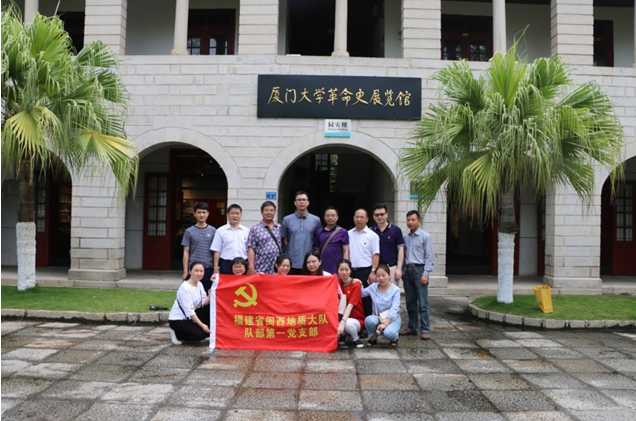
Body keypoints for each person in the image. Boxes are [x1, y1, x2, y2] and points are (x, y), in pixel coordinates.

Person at [400, 210, 435, 341]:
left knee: (423, 302)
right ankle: (412, 327)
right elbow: (404, 256)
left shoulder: (426, 236)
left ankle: (425, 330)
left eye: (413, 220)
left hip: (420, 270)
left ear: (419, 221)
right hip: (408, 271)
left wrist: (426, 274)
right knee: (410, 302)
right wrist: (403, 270)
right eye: (408, 220)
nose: (410, 222)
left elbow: (429, 256)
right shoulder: (406, 238)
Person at [168, 262, 211, 345]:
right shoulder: (185, 288)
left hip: (190, 317)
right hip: (178, 320)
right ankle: (177, 333)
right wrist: (202, 325)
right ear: (190, 271)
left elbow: (204, 303)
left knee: (209, 309)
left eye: (201, 271)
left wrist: (210, 295)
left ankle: (193, 330)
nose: (199, 273)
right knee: (201, 334)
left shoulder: (199, 284)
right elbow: (190, 312)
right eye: (196, 271)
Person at [348, 208, 380, 317]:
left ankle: (367, 322)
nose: (359, 219)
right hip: (351, 271)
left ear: (367, 219)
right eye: (357, 217)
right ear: (353, 218)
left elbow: (376, 255)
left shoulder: (372, 235)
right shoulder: (348, 234)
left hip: (365, 271)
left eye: (362, 217)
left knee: (366, 299)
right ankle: (353, 321)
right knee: (351, 298)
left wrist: (373, 272)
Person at [281, 191, 321, 275]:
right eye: (299, 200)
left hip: (309, 264)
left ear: (308, 202)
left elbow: (317, 240)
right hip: (291, 263)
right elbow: (285, 240)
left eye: (303, 200)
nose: (301, 202)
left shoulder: (316, 220)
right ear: (295, 203)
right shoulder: (286, 220)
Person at [362, 264, 401, 347]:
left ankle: (395, 337)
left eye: (383, 275)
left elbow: (394, 308)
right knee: (369, 320)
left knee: (389, 333)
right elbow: (361, 293)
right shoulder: (373, 287)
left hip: (392, 318)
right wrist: (357, 283)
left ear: (389, 275)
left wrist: (385, 324)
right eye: (378, 276)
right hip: (378, 317)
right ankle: (374, 336)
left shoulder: (395, 290)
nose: (381, 278)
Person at [181, 202, 216, 291]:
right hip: (193, 268)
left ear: (208, 214)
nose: (201, 215)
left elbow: (216, 251)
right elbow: (186, 252)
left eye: (204, 212)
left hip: (208, 268)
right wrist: (185, 271)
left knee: (208, 294)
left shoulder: (213, 231)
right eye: (199, 212)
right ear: (194, 214)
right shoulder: (189, 231)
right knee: (191, 293)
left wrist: (215, 269)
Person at [370, 203, 404, 287]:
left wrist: (399, 268)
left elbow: (400, 249)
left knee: (392, 292)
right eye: (377, 215)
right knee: (377, 293)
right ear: (373, 217)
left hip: (391, 268)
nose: (379, 216)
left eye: (382, 214)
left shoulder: (396, 230)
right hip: (376, 269)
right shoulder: (371, 232)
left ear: (387, 215)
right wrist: (372, 271)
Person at [211, 204, 249, 275]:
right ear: (227, 215)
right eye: (232, 213)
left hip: (243, 264)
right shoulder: (220, 231)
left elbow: (249, 250)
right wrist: (215, 268)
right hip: (226, 264)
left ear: (241, 215)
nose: (235, 216)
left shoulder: (247, 231)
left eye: (237, 213)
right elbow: (217, 250)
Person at [336, 259, 366, 349]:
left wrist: (342, 323)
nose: (344, 272)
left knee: (347, 324)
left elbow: (350, 305)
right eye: (341, 270)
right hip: (341, 316)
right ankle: (343, 335)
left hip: (357, 320)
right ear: (337, 271)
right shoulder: (336, 283)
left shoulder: (356, 284)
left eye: (346, 269)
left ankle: (356, 339)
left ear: (350, 271)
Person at [248, 201, 283, 274]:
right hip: (260, 267)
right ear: (262, 212)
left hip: (276, 267)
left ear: (274, 212)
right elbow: (251, 248)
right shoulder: (255, 228)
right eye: (266, 210)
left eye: (271, 210)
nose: (269, 212)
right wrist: (251, 267)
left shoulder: (279, 227)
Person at [314, 206, 349, 274]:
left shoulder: (343, 232)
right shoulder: (319, 232)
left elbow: (346, 252)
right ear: (324, 217)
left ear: (337, 217)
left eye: (333, 215)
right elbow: (317, 251)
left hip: (337, 268)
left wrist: (344, 267)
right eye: (328, 215)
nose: (330, 218)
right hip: (322, 267)